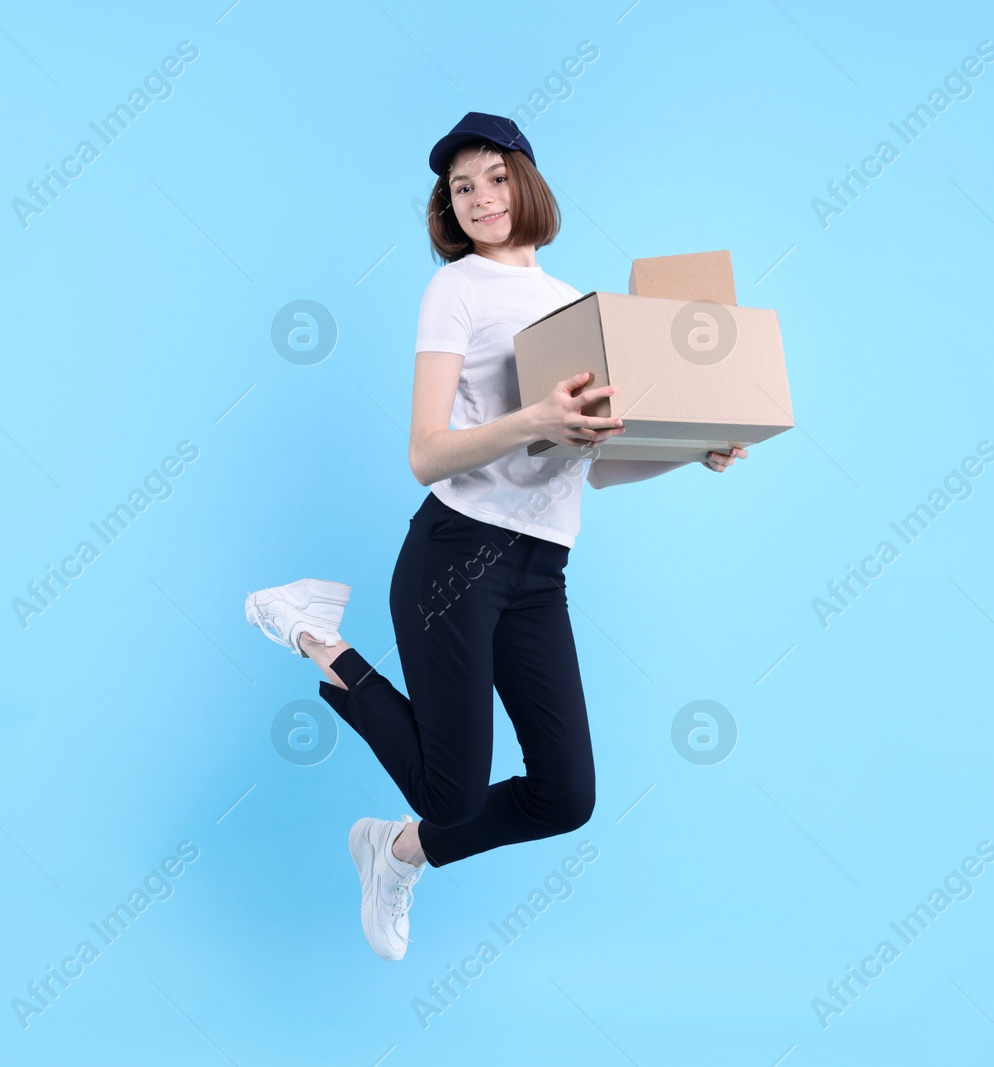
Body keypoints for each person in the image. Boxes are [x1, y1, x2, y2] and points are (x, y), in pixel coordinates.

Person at [244, 112, 748, 961]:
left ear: (529, 181)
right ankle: (312, 633)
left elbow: (600, 462)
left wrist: (693, 449)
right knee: (453, 791)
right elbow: (425, 452)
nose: (479, 197)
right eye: (460, 186)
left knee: (565, 795)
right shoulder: (458, 289)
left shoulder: (573, 306)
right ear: (448, 207)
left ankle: (393, 850)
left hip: (541, 568)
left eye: (495, 176)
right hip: (457, 554)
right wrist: (533, 418)